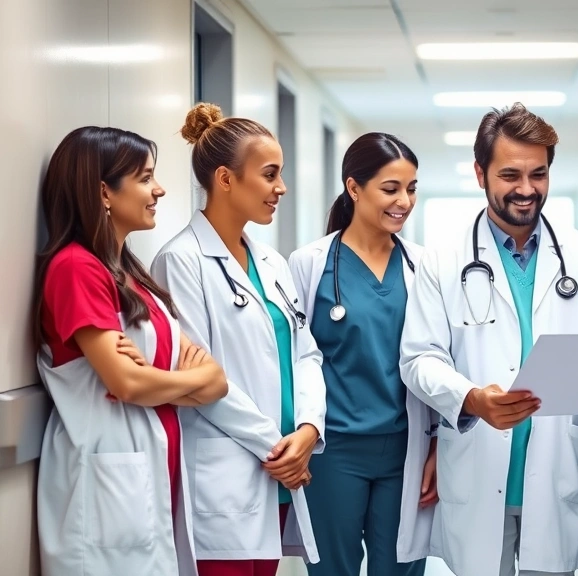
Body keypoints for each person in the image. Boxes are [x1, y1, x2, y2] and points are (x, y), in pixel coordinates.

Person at [399, 102, 578, 576]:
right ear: (480, 173)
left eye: (539, 174)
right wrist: (471, 398)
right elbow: (419, 358)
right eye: (510, 174)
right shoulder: (442, 260)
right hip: (479, 466)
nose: (527, 189)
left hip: (557, 473)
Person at [33, 126, 228, 576]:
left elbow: (216, 380)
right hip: (106, 481)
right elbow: (128, 381)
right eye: (144, 178)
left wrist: (157, 382)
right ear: (104, 191)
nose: (159, 189)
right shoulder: (75, 268)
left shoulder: (130, 274)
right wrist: (167, 382)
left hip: (148, 471)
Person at [150, 103, 326, 576]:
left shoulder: (272, 262)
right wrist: (279, 448)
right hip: (231, 472)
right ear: (226, 180)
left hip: (280, 466)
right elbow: (199, 379)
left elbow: (306, 353)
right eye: (270, 175)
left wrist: (308, 431)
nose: (281, 188)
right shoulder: (181, 262)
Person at [287, 132, 437, 576]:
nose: (404, 201)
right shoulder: (309, 263)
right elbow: (297, 356)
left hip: (405, 449)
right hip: (333, 451)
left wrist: (439, 448)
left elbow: (440, 360)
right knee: (332, 569)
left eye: (411, 189)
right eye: (390, 189)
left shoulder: (424, 266)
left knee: (402, 569)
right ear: (354, 188)